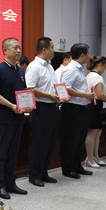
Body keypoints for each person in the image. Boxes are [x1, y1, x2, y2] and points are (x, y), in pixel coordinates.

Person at [0, 38, 31, 199]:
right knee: (1, 154)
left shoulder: (20, 71)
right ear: (5, 50)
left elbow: (22, 93)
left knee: (13, 154)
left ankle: (10, 183)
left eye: (19, 48)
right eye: (15, 48)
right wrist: (11, 105)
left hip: (18, 118)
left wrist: (28, 105)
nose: (19, 51)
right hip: (3, 119)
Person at [25, 37, 61, 187]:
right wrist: (49, 96)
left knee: (50, 142)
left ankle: (44, 172)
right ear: (44, 49)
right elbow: (30, 88)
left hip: (53, 108)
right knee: (39, 143)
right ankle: (34, 175)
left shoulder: (50, 66)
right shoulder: (34, 67)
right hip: (41, 108)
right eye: (52, 47)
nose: (54, 50)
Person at [59, 43, 96, 179]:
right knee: (71, 140)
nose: (89, 56)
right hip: (72, 109)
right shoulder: (70, 69)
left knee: (79, 139)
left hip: (81, 109)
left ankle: (77, 166)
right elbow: (66, 88)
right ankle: (68, 169)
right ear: (82, 55)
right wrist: (85, 95)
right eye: (88, 53)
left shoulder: (79, 69)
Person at [84, 55, 106, 168]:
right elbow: (101, 95)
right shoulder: (97, 77)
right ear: (100, 64)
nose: (105, 69)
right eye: (105, 66)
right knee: (92, 132)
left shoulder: (89, 75)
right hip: (94, 105)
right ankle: (89, 158)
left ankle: (95, 156)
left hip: (94, 105)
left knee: (98, 132)